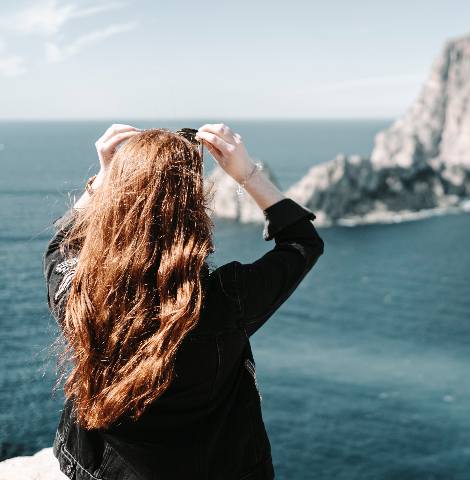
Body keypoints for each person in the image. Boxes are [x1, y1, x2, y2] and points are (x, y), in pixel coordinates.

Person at [44, 123, 325, 479]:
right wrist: (248, 174)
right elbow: (302, 242)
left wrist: (102, 179)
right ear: (195, 212)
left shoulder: (80, 295)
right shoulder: (229, 297)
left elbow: (61, 245)